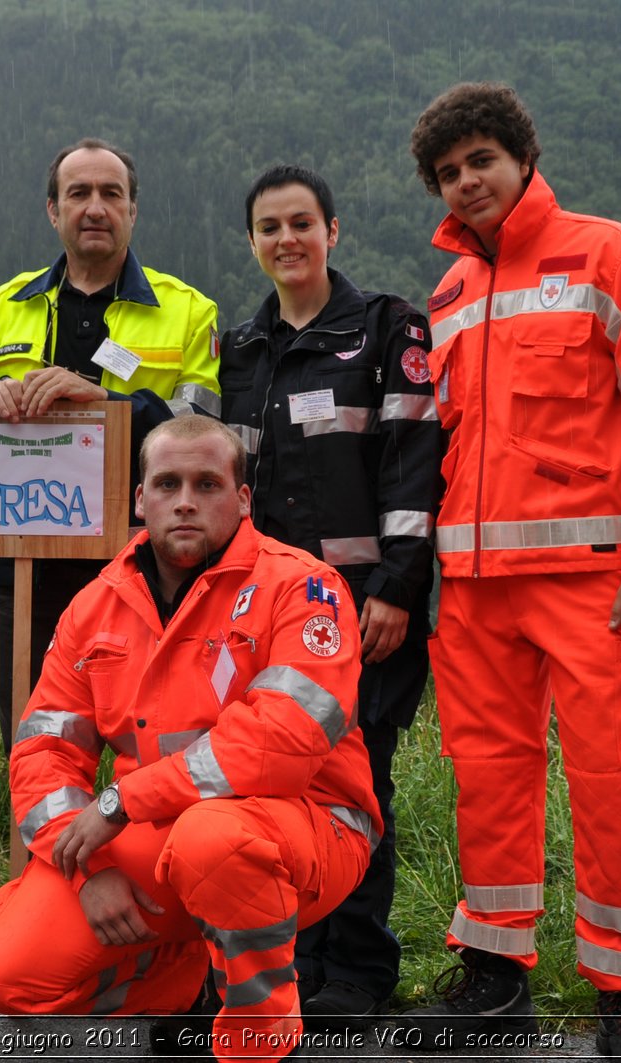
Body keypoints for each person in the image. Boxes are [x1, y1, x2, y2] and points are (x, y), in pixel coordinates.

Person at [402, 83, 621, 1060]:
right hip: (475, 593)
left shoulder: (607, 253)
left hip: (593, 583)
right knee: (486, 780)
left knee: (612, 781)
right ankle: (496, 985)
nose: (466, 181)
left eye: (480, 160)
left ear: (522, 158)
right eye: (448, 173)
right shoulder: (447, 295)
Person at [0, 415, 380, 1062]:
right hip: (158, 830)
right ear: (140, 499)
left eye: (207, 482)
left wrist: (122, 802)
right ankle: (188, 990)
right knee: (5, 972)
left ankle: (263, 1040)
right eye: (167, 482)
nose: (186, 499)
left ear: (243, 500)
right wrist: (88, 871)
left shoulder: (302, 586)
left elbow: (281, 741)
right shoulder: (94, 605)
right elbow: (44, 752)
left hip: (308, 825)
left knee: (213, 841)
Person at [218, 165, 440, 1030]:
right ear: (253, 242)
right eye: (269, 227)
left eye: (301, 223)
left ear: (333, 231)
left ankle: (355, 965)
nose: (286, 240)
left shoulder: (387, 327)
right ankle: (286, 961)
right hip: (262, 616)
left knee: (352, 786)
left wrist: (394, 587)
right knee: (266, 788)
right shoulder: (240, 349)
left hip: (360, 612)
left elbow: (415, 465)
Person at [0, 137, 220, 753]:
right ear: (54, 211)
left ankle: (153, 851)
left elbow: (203, 434)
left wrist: (107, 405)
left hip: (146, 562)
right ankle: (39, 852)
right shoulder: (0, 307)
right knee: (34, 738)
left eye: (111, 193)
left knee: (157, 740)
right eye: (79, 193)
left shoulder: (188, 311)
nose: (95, 207)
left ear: (133, 210)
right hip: (25, 560)